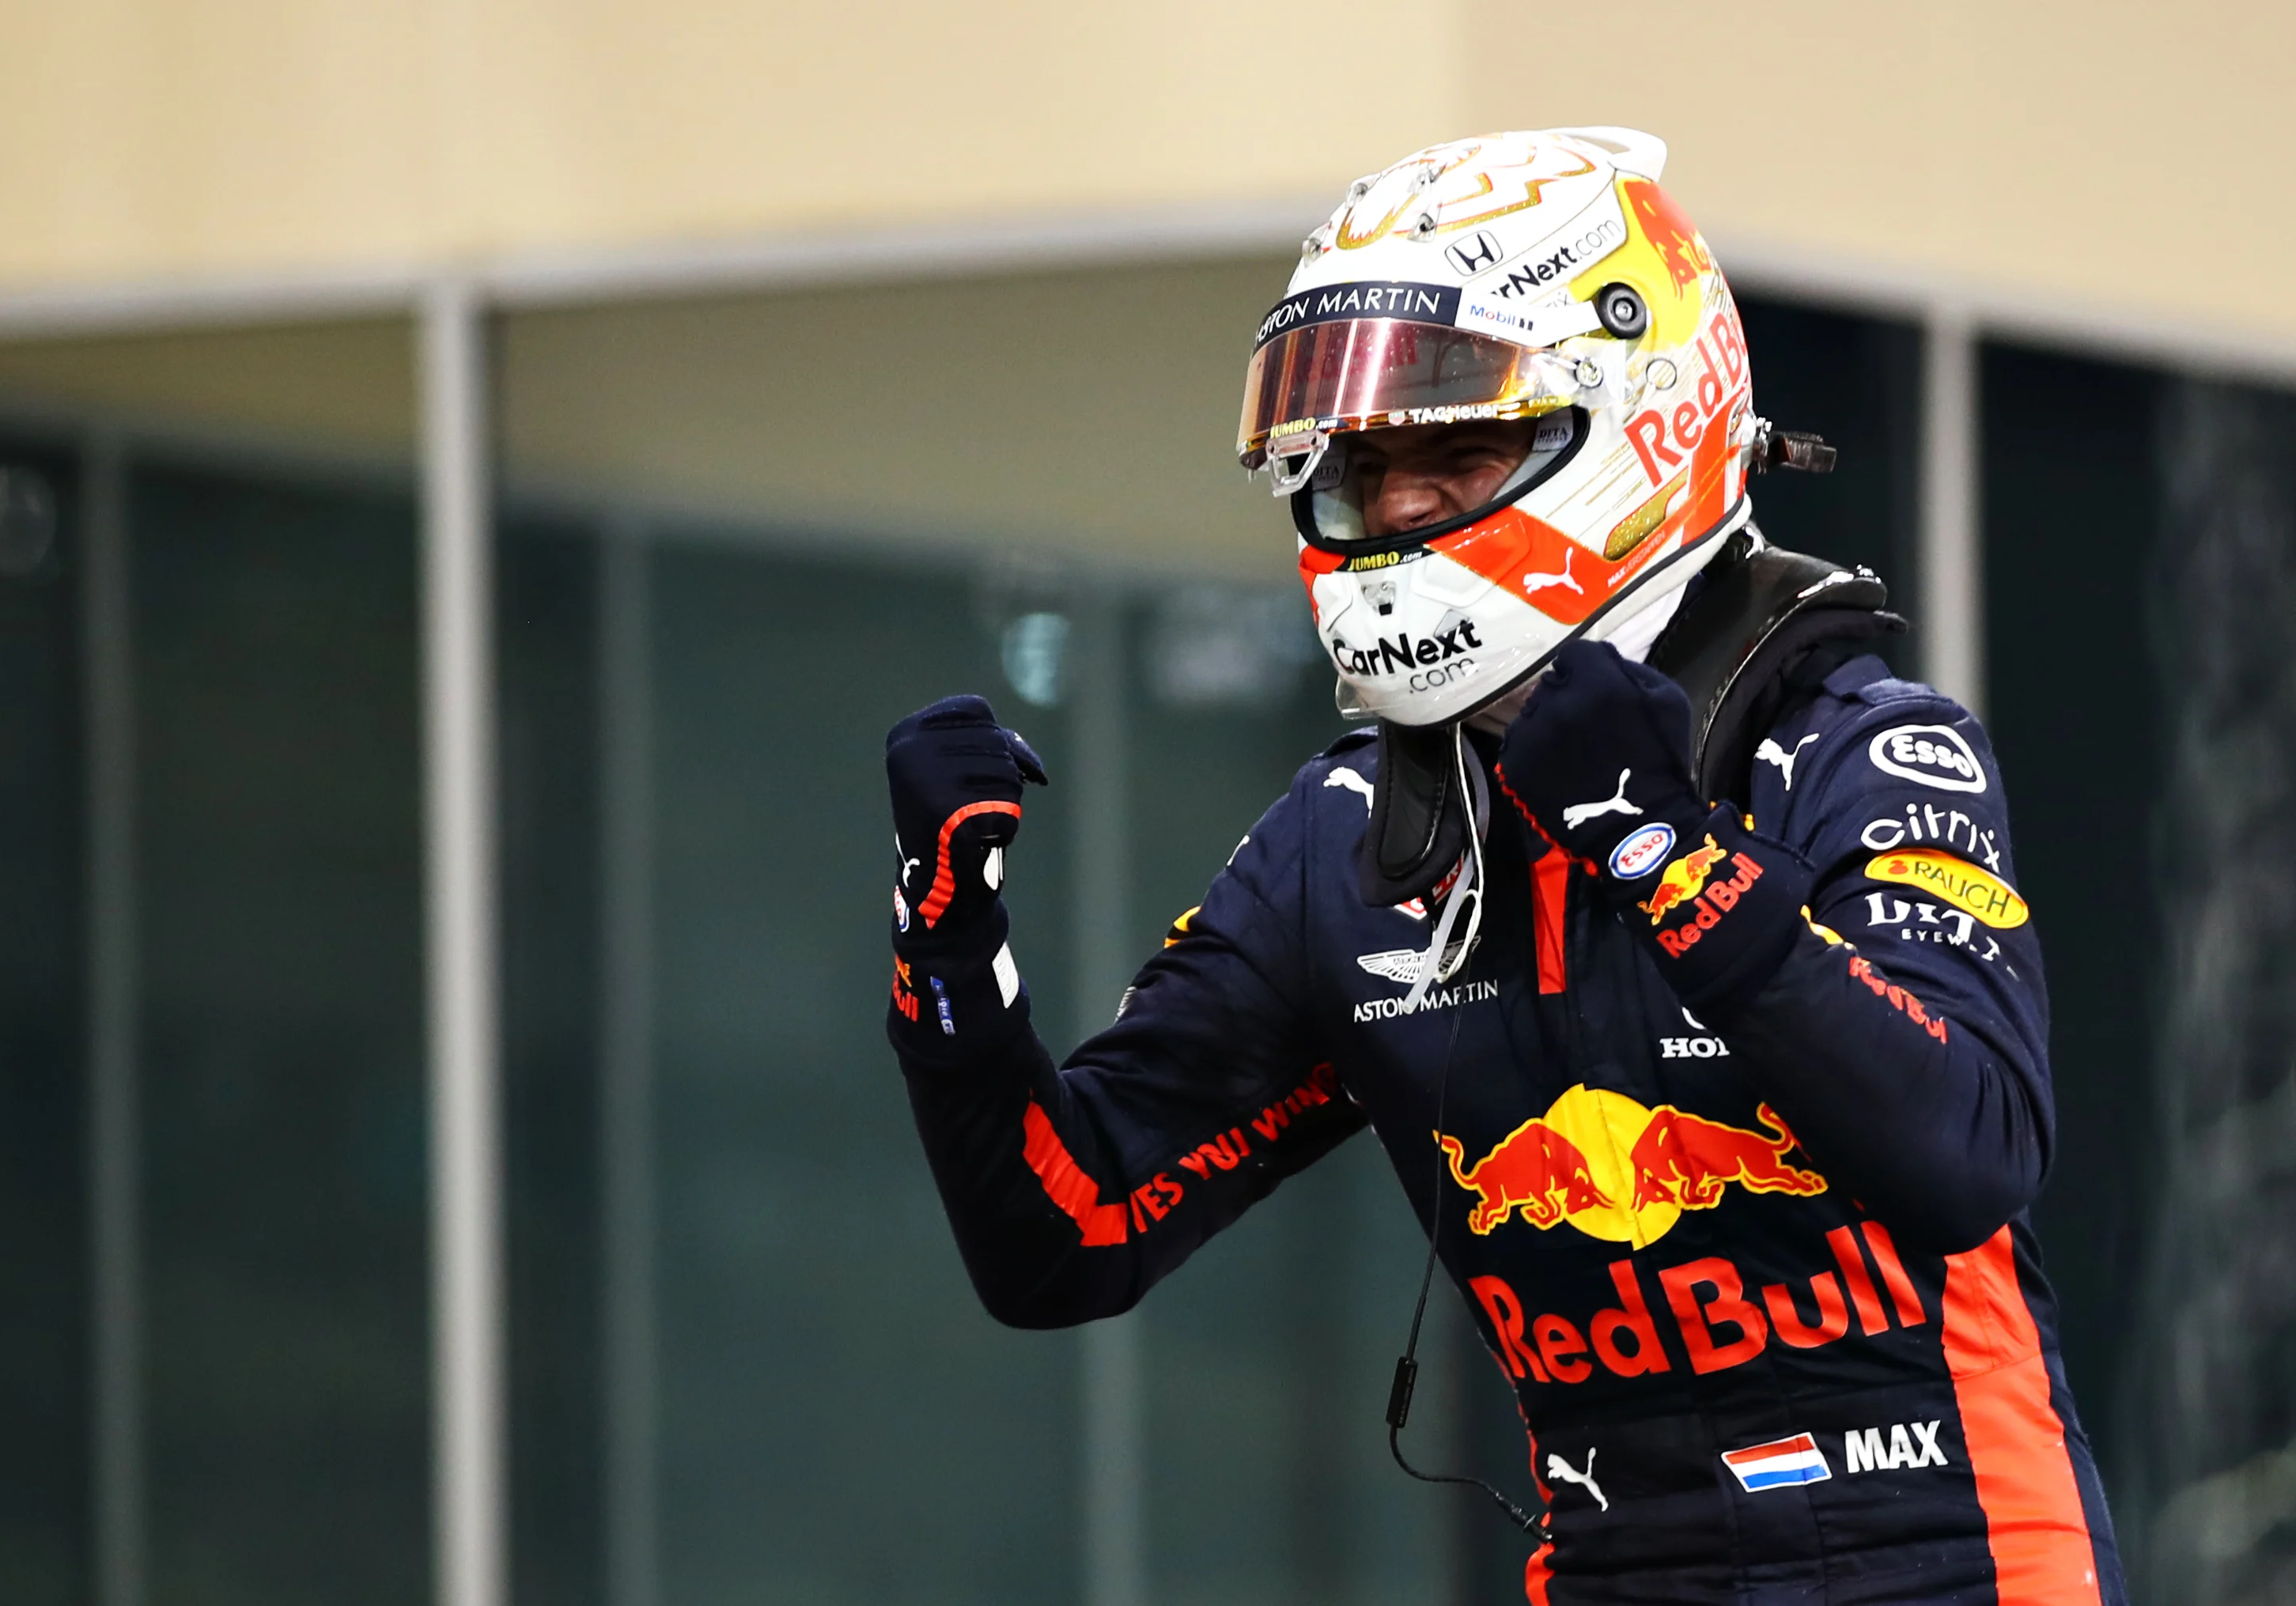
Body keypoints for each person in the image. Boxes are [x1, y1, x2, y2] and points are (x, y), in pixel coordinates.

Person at [882, 127, 2124, 1604]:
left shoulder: (1861, 748)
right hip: (1611, 1563)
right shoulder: (1339, 841)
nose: (1394, 511)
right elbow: (1064, 1240)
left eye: (1453, 453)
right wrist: (948, 952)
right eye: (1358, 468)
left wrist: (1661, 851)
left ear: (1642, 430)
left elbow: (1969, 1147)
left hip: (1952, 1560)